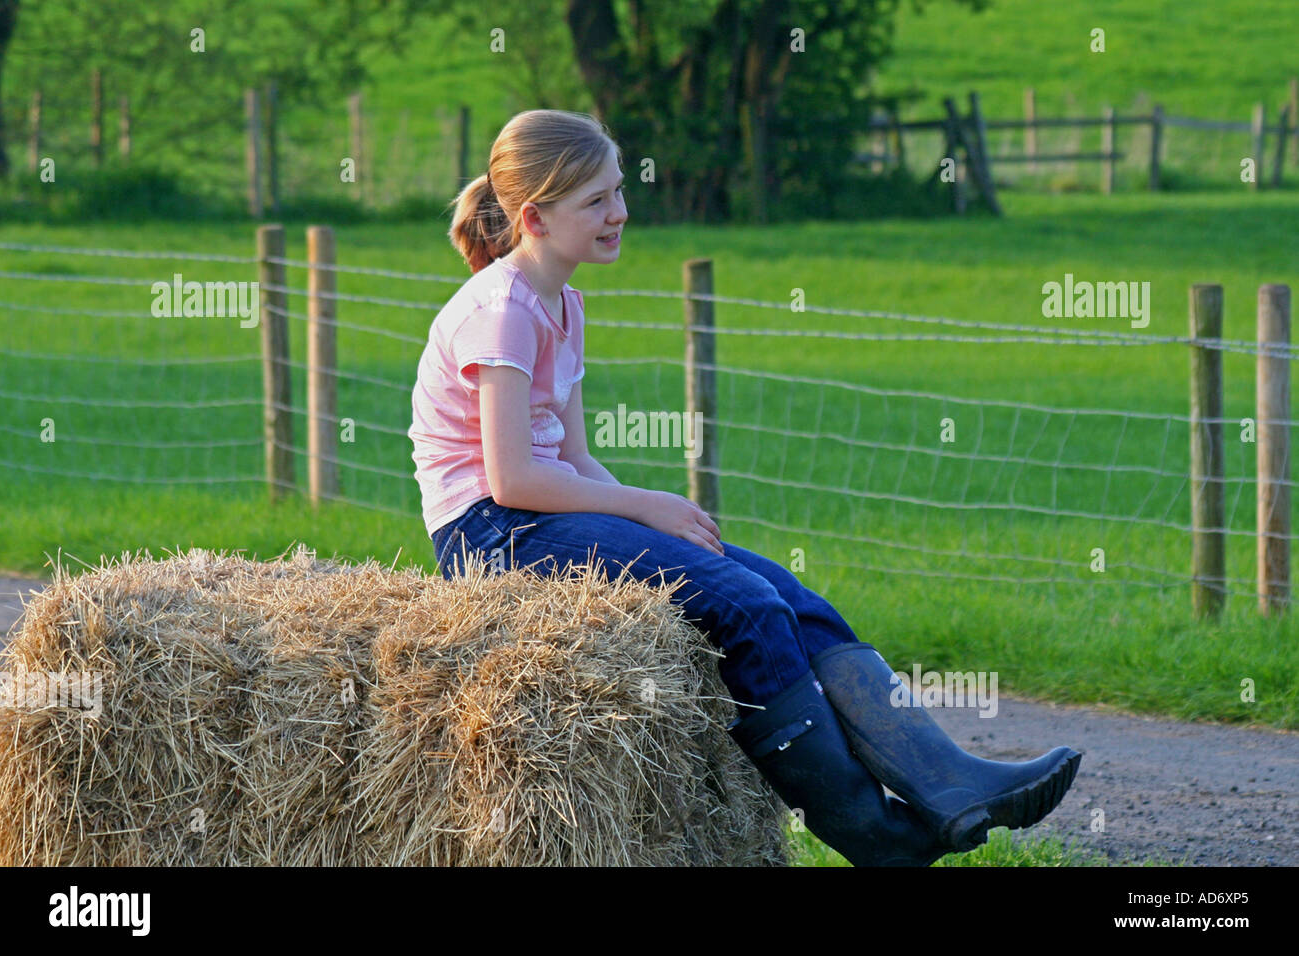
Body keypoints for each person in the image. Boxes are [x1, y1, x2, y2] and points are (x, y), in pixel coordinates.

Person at [408, 109, 1081, 867]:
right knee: (745, 605)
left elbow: (568, 454)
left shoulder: (563, 300)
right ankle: (879, 838)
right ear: (534, 216)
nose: (621, 213)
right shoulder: (501, 312)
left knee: (789, 596)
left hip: (537, 513)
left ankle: (949, 781)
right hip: (493, 534)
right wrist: (642, 505)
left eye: (619, 191)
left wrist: (653, 516)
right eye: (595, 200)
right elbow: (513, 477)